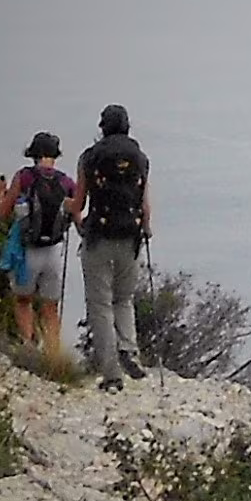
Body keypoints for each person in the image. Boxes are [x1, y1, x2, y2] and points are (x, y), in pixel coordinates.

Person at [67, 104, 152, 392]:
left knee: (100, 304)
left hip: (98, 237)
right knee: (124, 298)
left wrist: (69, 210)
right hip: (130, 236)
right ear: (127, 126)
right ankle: (129, 349)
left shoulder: (89, 157)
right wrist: (146, 228)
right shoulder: (140, 158)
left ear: (102, 128)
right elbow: (144, 203)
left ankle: (112, 374)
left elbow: (78, 203)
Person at [0, 132, 76, 354]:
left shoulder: (24, 177)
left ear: (33, 154)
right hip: (53, 252)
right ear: (55, 155)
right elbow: (77, 210)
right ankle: (54, 355)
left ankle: (28, 347)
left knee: (23, 300)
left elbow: (2, 212)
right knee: (51, 308)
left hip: (28, 252)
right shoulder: (66, 182)